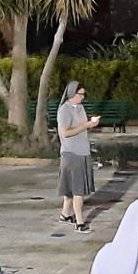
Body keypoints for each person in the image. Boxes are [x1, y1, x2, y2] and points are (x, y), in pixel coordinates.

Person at [57, 81, 100, 233]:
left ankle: (65, 214)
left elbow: (81, 125)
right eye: (80, 94)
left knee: (71, 187)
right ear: (72, 94)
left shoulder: (80, 108)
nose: (83, 97)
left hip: (83, 150)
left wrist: (91, 123)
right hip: (71, 152)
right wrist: (85, 126)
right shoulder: (64, 110)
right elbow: (65, 133)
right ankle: (80, 222)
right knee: (78, 190)